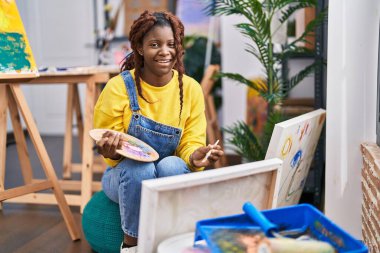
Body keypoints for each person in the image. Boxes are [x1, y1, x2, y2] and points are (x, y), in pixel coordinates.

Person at [93, 10, 224, 253]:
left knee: (172, 165)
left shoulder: (191, 89)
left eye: (171, 44)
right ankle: (132, 246)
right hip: (123, 175)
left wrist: (196, 157)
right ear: (140, 48)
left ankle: (174, 241)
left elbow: (190, 142)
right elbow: (108, 151)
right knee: (139, 168)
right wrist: (108, 148)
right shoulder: (119, 87)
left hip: (167, 174)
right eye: (155, 44)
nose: (165, 51)